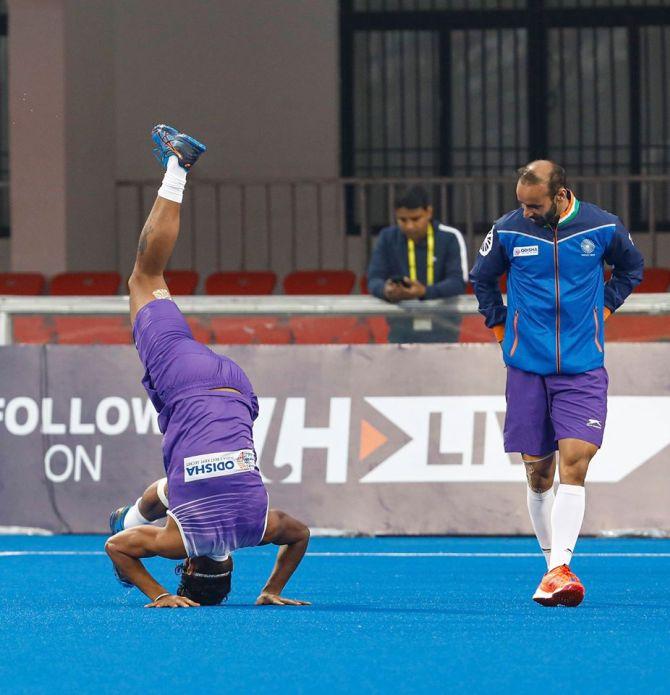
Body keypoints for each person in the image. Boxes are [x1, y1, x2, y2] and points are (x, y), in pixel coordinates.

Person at [105, 124, 310, 608]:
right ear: (191, 566)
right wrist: (156, 593)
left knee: (173, 485)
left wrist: (272, 590)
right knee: (145, 276)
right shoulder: (178, 544)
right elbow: (117, 551)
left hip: (238, 391)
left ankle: (131, 511)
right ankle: (177, 167)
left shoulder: (260, 530)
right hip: (188, 383)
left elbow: (300, 535)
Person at [470, 160, 643, 607]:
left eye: (534, 205)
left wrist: (602, 311)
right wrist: (499, 328)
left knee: (576, 462)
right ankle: (553, 568)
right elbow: (482, 279)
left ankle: (560, 568)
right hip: (526, 367)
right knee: (538, 473)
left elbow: (631, 269)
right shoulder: (508, 231)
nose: (526, 212)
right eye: (521, 205)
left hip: (583, 367)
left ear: (561, 194)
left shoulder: (603, 226)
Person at [366, 185, 468, 342]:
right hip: (401, 332)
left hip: (444, 333)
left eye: (415, 219)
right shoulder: (387, 238)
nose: (409, 226)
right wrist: (386, 290)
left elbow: (457, 283)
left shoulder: (450, 237)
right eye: (402, 220)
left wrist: (423, 292)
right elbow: (373, 279)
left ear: (429, 212)